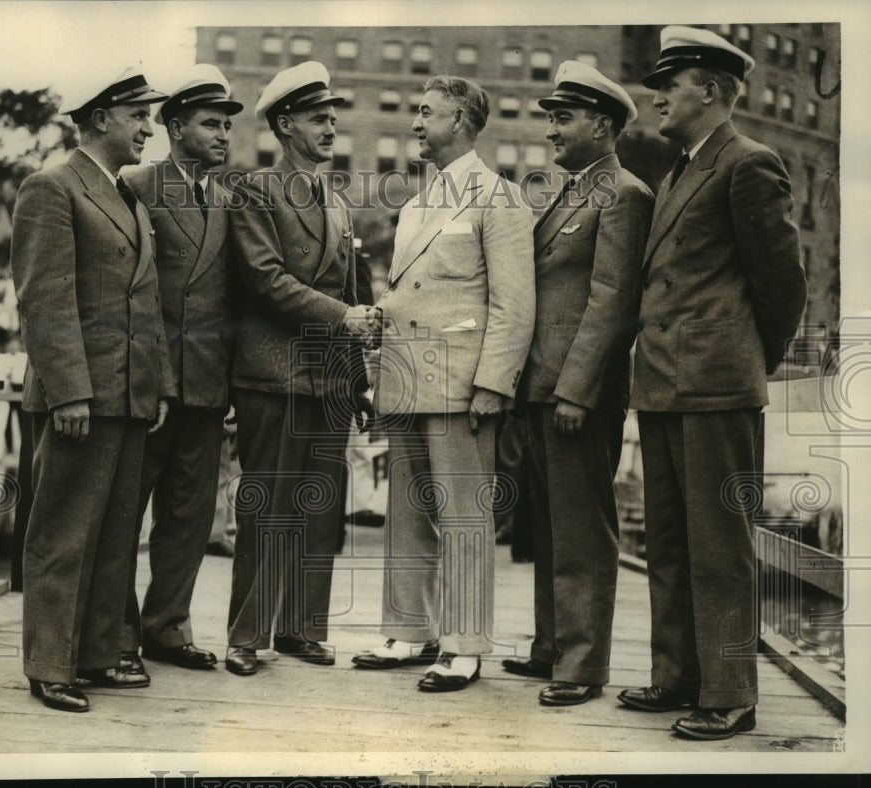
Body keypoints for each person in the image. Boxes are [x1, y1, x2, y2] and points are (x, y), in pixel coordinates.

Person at [618, 26, 807, 739]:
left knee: (721, 546)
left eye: (671, 85)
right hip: (664, 383)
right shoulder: (681, 170)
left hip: (717, 385)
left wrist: (747, 360)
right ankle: (677, 675)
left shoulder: (748, 162)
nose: (657, 97)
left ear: (712, 90)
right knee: (668, 541)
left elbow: (782, 284)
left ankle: (729, 693)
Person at [352, 75, 535, 691]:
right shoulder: (416, 205)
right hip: (406, 378)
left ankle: (463, 646)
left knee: (464, 517)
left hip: (461, 385)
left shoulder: (500, 198)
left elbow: (514, 306)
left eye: (427, 112)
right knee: (407, 512)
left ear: (459, 119)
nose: (415, 123)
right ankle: (409, 630)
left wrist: (494, 385)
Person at [10, 68, 174, 712]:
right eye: (138, 115)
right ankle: (50, 664)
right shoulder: (51, 187)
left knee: (113, 536)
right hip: (80, 398)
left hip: (129, 397)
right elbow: (44, 301)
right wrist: (69, 392)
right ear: (101, 118)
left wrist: (158, 386)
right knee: (63, 534)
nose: (148, 128)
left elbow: (146, 302)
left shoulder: (127, 197)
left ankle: (100, 652)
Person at [500, 62, 654, 705]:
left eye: (563, 119)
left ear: (603, 124)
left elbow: (613, 303)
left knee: (583, 531)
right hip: (541, 389)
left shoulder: (624, 194)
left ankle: (583, 665)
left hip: (575, 395)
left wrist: (576, 390)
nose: (551, 132)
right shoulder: (572, 192)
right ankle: (552, 649)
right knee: (549, 527)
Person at [224, 61, 376, 676]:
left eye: (332, 117)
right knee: (267, 508)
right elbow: (264, 279)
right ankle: (246, 635)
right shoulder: (255, 190)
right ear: (286, 125)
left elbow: (352, 288)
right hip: (274, 376)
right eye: (318, 118)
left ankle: (301, 629)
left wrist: (358, 382)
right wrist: (344, 318)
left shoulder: (335, 200)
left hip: (329, 381)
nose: (330, 127)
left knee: (320, 510)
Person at [122, 65, 243, 672]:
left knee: (189, 518)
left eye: (227, 126)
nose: (223, 135)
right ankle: (117, 634)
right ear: (174, 128)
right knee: (125, 515)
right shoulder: (137, 184)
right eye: (210, 124)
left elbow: (232, 298)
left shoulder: (227, 198)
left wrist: (231, 384)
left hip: (206, 385)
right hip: (150, 382)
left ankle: (167, 628)